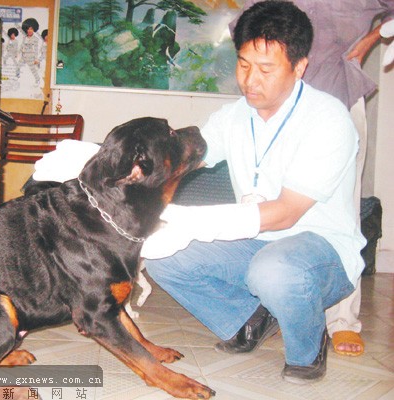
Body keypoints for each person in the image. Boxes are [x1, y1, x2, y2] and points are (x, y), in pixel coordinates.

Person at [140, 0, 366, 383]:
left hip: (321, 252)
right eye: (243, 65)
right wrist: (133, 163)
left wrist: (194, 219)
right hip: (258, 243)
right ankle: (248, 321)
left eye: (265, 69)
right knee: (165, 255)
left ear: (299, 67)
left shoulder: (328, 119)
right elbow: (188, 153)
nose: (250, 80)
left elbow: (287, 212)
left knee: (273, 269)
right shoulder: (233, 117)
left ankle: (308, 349)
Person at [232, 0, 394, 360]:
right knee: (268, 201)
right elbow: (245, 23)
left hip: (337, 93)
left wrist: (371, 41)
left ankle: (342, 321)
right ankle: (277, 302)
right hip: (277, 105)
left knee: (343, 213)